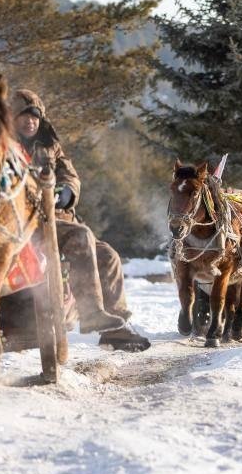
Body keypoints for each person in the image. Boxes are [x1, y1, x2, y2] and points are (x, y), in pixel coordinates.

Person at [10, 89, 151, 351]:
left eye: (35, 116)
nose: (30, 121)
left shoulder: (49, 145)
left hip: (59, 217)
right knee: (81, 237)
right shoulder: (4, 148)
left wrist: (68, 191)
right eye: (23, 116)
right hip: (25, 224)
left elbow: (70, 175)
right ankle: (90, 313)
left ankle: (114, 327)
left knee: (107, 256)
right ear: (11, 119)